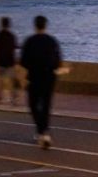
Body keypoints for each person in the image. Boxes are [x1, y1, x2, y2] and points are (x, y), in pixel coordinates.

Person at [20, 14, 62, 149]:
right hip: (49, 78)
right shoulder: (52, 41)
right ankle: (45, 133)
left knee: (33, 105)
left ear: (35, 25)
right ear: (45, 25)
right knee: (46, 105)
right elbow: (57, 62)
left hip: (34, 77)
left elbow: (23, 62)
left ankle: (41, 131)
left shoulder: (30, 41)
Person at [0, 17, 19, 105]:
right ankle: (13, 100)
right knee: (11, 81)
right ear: (9, 25)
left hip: (0, 62)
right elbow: (14, 47)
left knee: (0, 81)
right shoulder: (11, 35)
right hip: (10, 62)